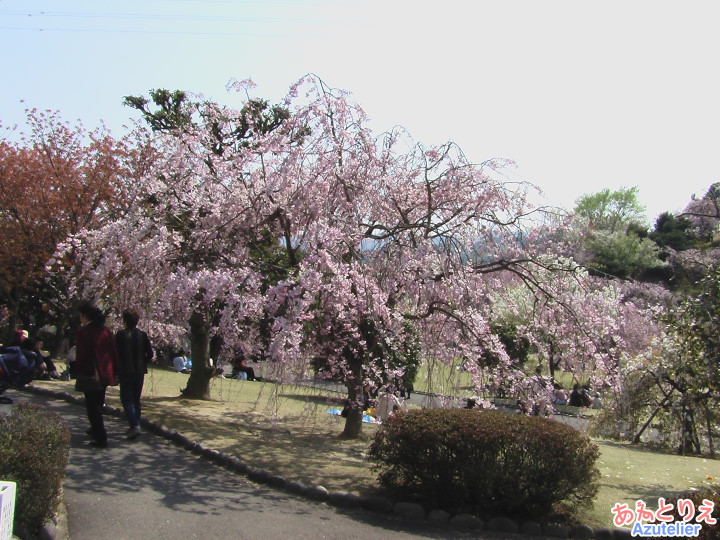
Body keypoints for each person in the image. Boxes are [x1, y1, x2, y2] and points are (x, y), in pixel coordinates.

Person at [75, 301, 119, 448]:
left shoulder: (85, 331)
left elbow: (81, 354)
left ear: (84, 316)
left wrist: (78, 369)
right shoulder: (106, 331)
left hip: (91, 372)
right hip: (106, 372)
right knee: (98, 404)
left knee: (92, 406)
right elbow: (113, 352)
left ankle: (100, 436)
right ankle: (95, 429)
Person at [115, 310, 154, 440]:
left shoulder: (120, 335)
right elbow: (150, 354)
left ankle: (135, 425)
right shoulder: (142, 335)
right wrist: (143, 362)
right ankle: (135, 425)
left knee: (126, 400)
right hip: (139, 371)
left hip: (125, 371)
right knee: (136, 400)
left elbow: (116, 354)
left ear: (125, 321)